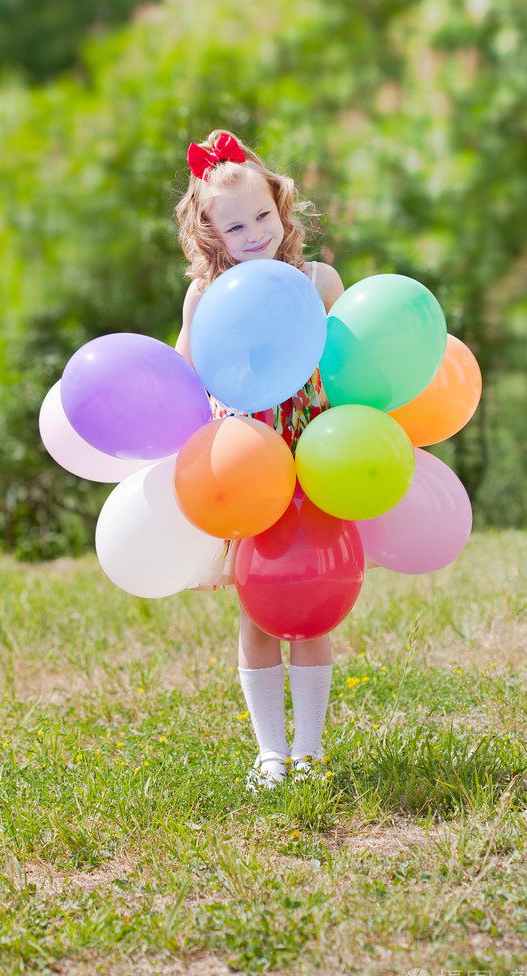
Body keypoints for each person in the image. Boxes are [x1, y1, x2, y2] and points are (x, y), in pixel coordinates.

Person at [174, 130, 344, 790]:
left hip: (310, 458)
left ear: (282, 207)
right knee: (260, 610)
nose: (253, 233)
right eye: (234, 224)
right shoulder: (204, 295)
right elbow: (185, 378)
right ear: (211, 232)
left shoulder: (315, 280)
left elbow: (348, 370)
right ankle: (270, 752)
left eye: (262, 216)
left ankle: (310, 749)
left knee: (313, 606)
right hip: (245, 467)